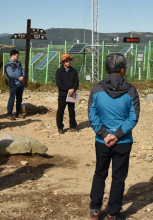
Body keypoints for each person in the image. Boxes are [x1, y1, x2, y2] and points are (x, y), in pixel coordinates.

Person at [88, 53, 140, 220]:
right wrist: (117, 135)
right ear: (123, 70)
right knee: (118, 177)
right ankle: (113, 213)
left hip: (102, 141)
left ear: (106, 69)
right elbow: (133, 117)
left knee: (100, 173)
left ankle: (95, 210)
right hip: (123, 141)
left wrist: (104, 134)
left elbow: (92, 114)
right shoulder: (131, 91)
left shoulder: (96, 89)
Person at [55, 54, 80, 134]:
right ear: (63, 62)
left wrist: (73, 89)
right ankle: (60, 127)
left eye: (69, 61)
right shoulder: (59, 71)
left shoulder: (73, 71)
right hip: (63, 94)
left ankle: (72, 126)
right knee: (61, 110)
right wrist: (68, 89)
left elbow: (76, 81)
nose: (68, 62)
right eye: (66, 61)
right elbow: (59, 83)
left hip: (72, 94)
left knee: (71, 110)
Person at [6, 50, 25, 120]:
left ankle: (18, 112)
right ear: (12, 55)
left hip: (20, 84)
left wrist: (23, 76)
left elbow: (22, 70)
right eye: (16, 56)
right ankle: (9, 114)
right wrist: (18, 78)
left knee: (19, 99)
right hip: (13, 84)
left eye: (18, 56)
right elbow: (10, 74)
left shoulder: (19, 63)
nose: (18, 57)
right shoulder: (9, 64)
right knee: (12, 99)